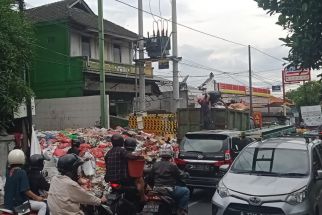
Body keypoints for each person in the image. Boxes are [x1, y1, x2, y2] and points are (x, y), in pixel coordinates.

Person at [4, 149, 47, 215]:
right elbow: (26, 190)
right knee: (43, 205)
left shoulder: (9, 173)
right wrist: (37, 198)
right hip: (19, 204)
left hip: (8, 204)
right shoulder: (22, 172)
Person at [149, 147, 190, 215]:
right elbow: (180, 175)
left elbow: (150, 177)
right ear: (170, 155)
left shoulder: (155, 165)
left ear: (160, 155)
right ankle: (181, 210)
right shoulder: (172, 165)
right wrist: (186, 174)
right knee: (186, 191)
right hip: (168, 190)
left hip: (156, 189)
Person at [124, 138, 146, 202]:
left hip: (121, 178)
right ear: (134, 147)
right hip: (132, 179)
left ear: (124, 146)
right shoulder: (134, 156)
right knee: (140, 180)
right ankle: (143, 197)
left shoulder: (121, 154)